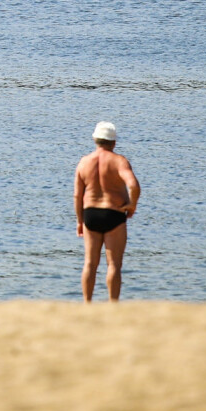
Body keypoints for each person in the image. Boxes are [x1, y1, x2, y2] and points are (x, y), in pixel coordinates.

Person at [73, 122, 141, 303]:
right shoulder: (119, 161)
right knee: (114, 265)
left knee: (89, 263)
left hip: (91, 214)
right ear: (114, 142)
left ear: (95, 140)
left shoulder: (84, 162)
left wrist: (80, 221)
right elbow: (133, 185)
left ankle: (87, 303)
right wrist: (131, 205)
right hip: (114, 214)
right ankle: (113, 305)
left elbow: (77, 195)